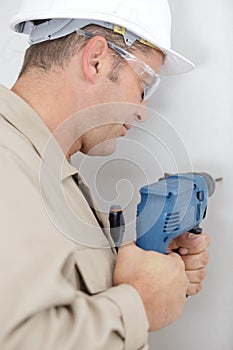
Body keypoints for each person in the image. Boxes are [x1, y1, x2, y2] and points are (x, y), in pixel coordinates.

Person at [0, 0, 210, 349]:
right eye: (145, 84)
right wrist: (139, 304)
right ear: (96, 59)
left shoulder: (48, 170)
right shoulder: (8, 164)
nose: (143, 112)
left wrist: (139, 268)